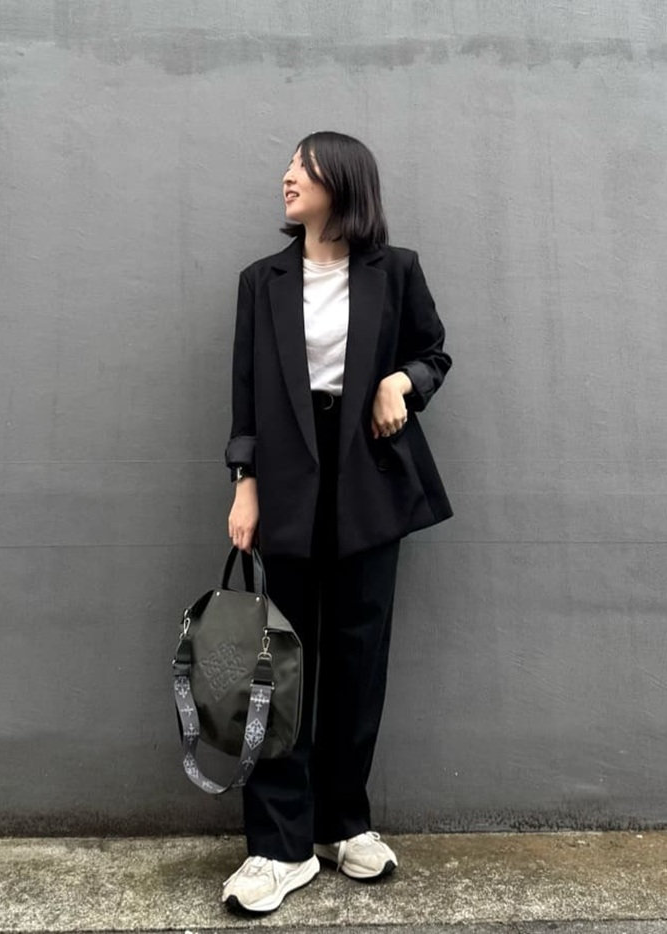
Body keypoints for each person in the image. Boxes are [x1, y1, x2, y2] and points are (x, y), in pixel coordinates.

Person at [223, 131, 452, 913]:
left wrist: (399, 382)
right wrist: (245, 483)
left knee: (359, 657)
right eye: (290, 165)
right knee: (282, 663)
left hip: (369, 477)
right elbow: (247, 391)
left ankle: (345, 822)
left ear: (342, 181)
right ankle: (278, 846)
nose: (288, 175)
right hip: (288, 477)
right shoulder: (262, 281)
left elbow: (433, 353)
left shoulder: (397, 271)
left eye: (304, 165)